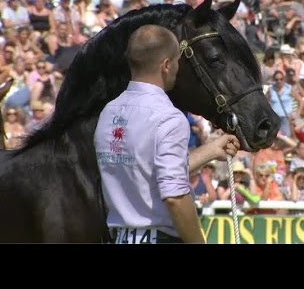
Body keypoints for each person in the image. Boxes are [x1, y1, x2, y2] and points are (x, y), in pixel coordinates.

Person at [94, 25, 240, 244]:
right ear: (166, 65)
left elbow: (145, 170)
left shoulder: (108, 112)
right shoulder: (169, 118)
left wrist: (210, 150)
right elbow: (174, 196)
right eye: (178, 61)